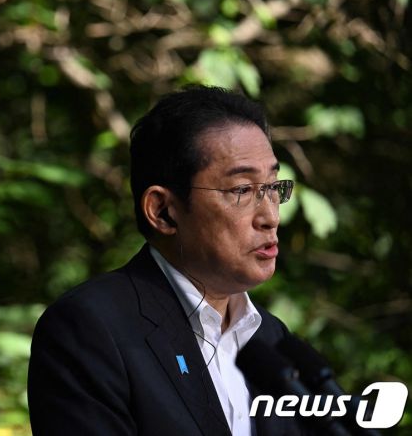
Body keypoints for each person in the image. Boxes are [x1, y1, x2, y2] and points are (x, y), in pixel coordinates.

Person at [28, 86, 308, 435]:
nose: (270, 217)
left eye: (273, 187)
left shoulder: (272, 337)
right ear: (162, 211)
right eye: (242, 190)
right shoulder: (89, 329)